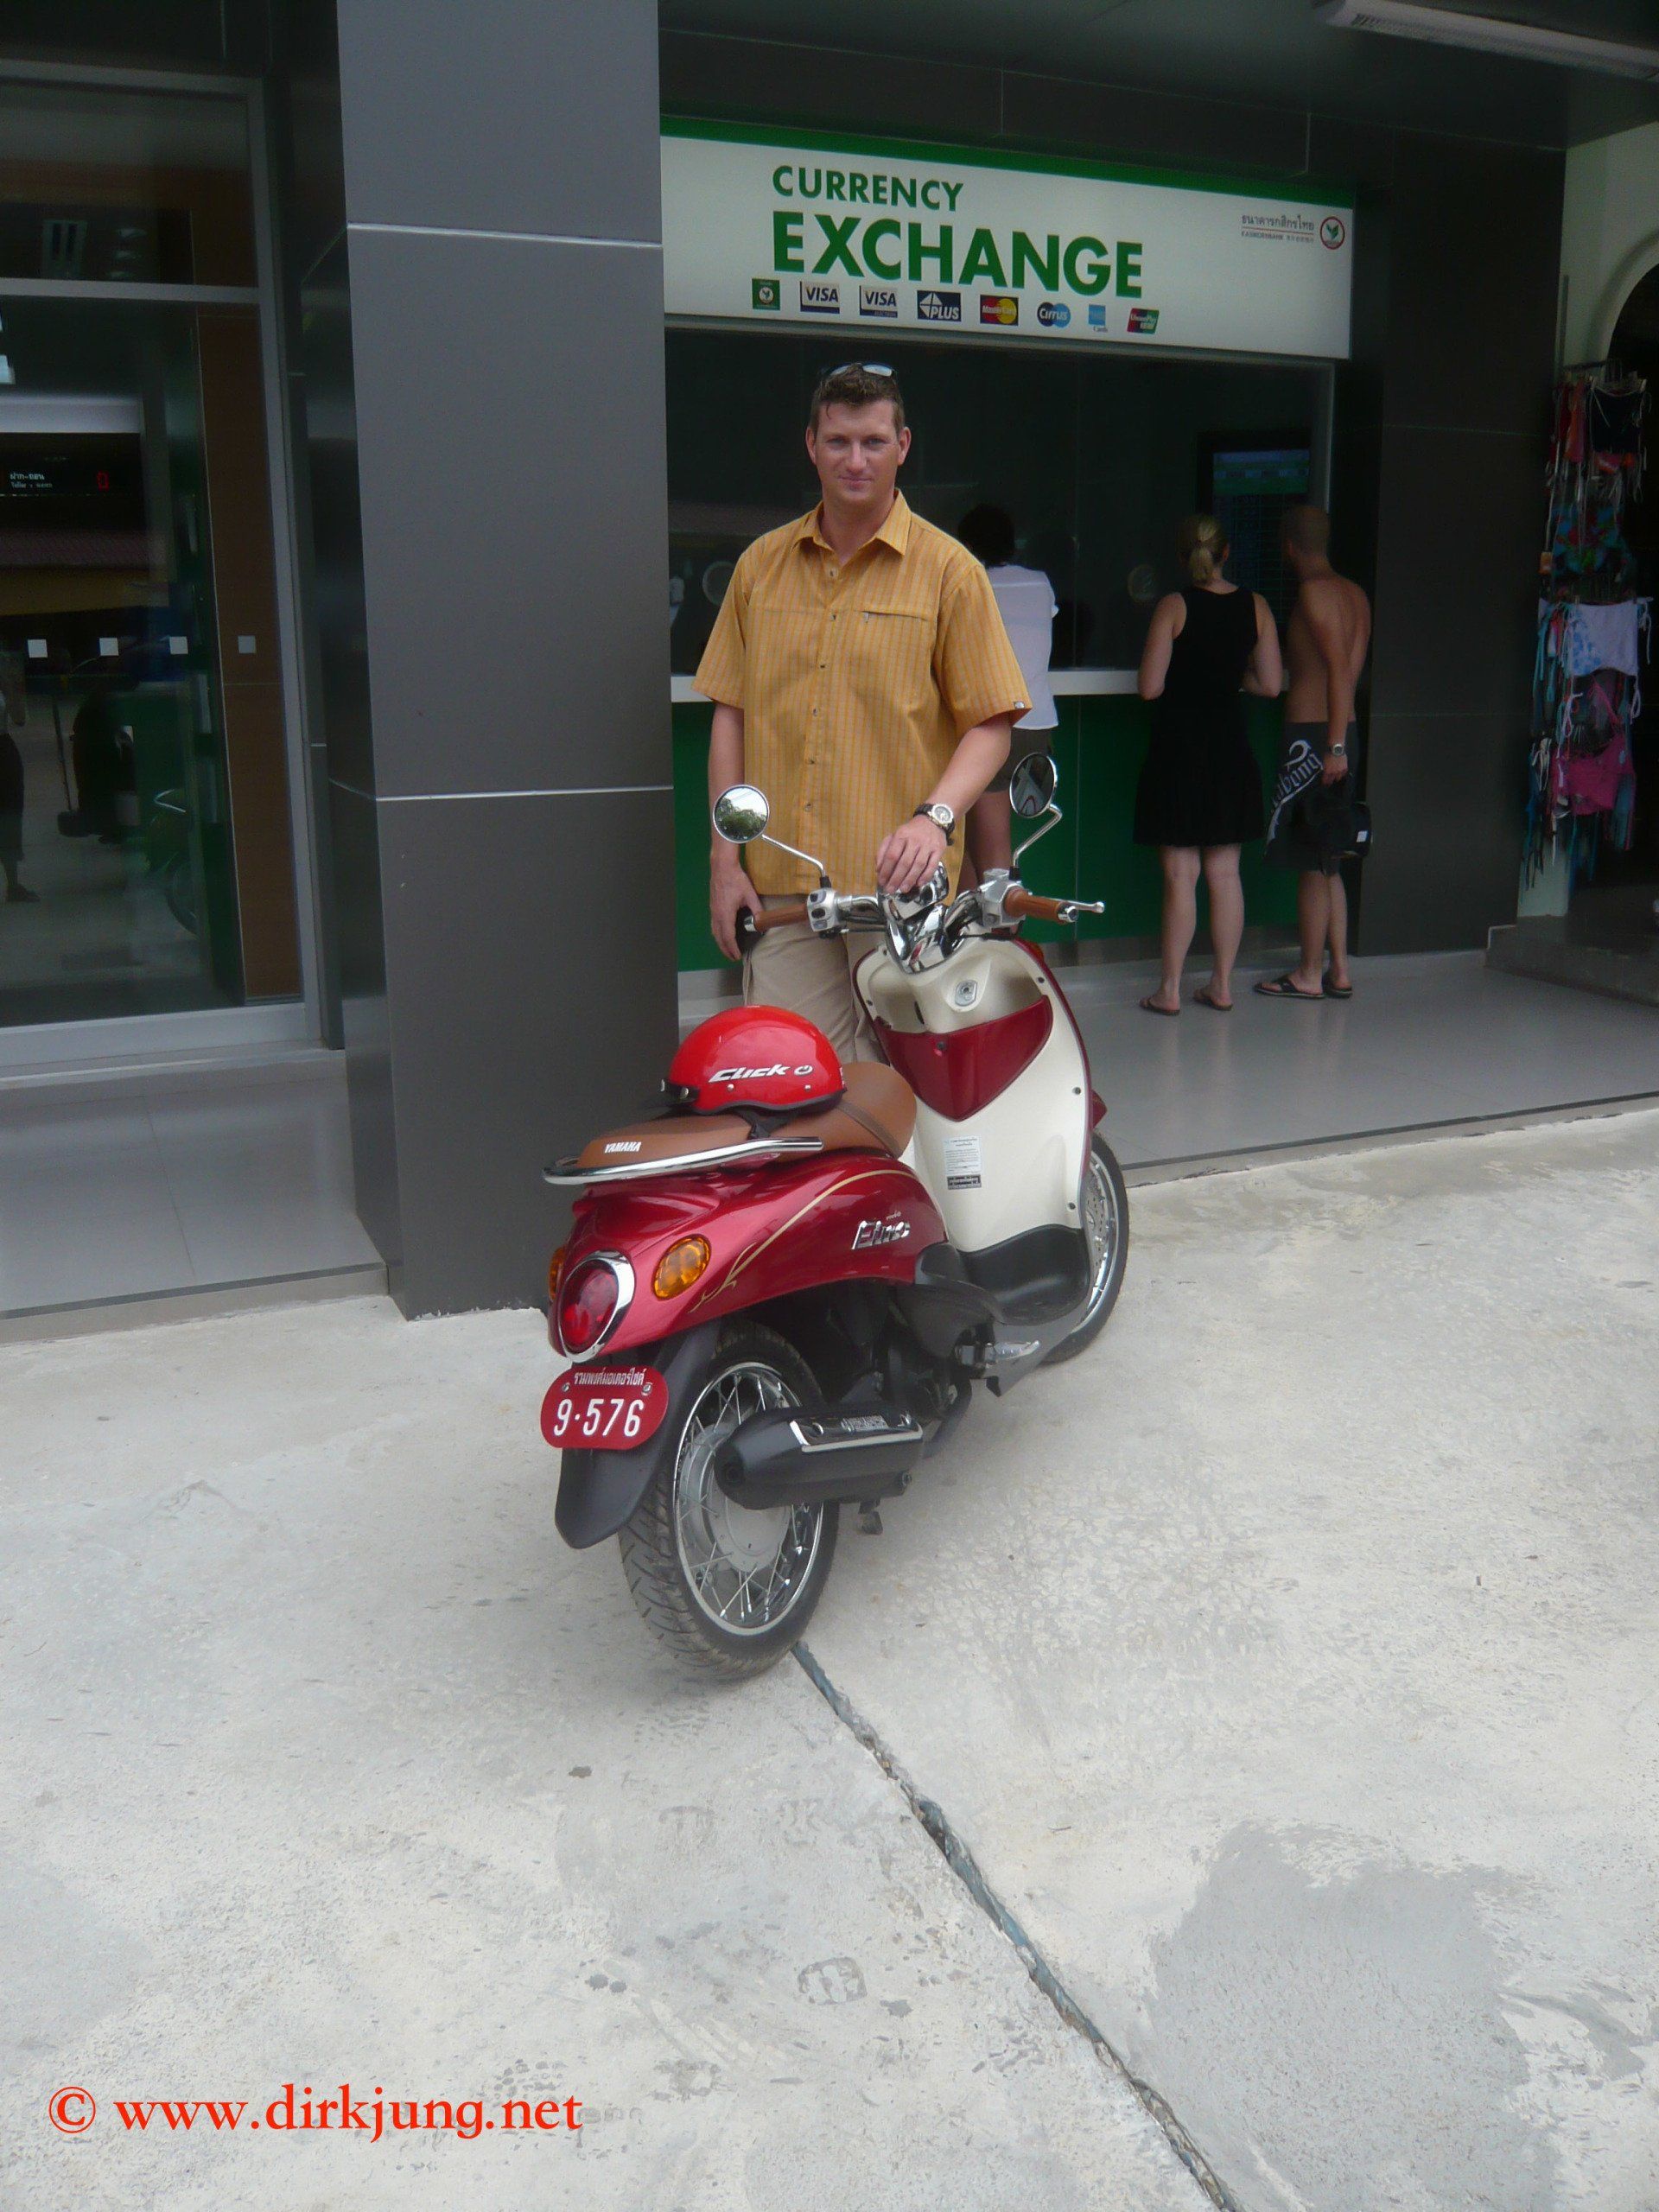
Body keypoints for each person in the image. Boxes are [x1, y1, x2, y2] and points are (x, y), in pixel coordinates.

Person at [696, 363, 1028, 1061]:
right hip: (785, 891)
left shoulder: (950, 572)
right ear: (810, 445)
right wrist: (725, 861)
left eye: (874, 442)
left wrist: (934, 818)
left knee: (905, 1088)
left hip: (902, 894)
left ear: (902, 446)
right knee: (787, 1077)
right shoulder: (760, 568)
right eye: (839, 441)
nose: (856, 460)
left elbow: (991, 724)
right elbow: (730, 715)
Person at [1134, 514, 1281, 1014]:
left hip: (1179, 750)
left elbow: (1150, 687)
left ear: (1182, 557)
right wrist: (1232, 678)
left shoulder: (1173, 606)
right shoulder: (1256, 606)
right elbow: (1271, 684)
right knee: (1225, 873)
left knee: (1181, 874)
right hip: (1230, 750)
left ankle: (1170, 990)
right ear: (1226, 553)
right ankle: (1221, 985)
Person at [1256, 505, 1372, 1001]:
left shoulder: (1313, 593)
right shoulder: (1356, 594)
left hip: (1317, 738)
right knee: (1330, 856)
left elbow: (1338, 671)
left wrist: (1334, 746)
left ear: (1289, 547)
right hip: (1341, 734)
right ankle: (1338, 970)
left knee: (1310, 860)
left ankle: (1308, 973)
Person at [954, 504, 1058, 879]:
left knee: (985, 858)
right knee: (965, 846)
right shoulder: (1040, 583)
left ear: (966, 545)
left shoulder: (970, 583)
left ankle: (1004, 917)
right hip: (1038, 729)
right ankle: (980, 914)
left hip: (992, 727)